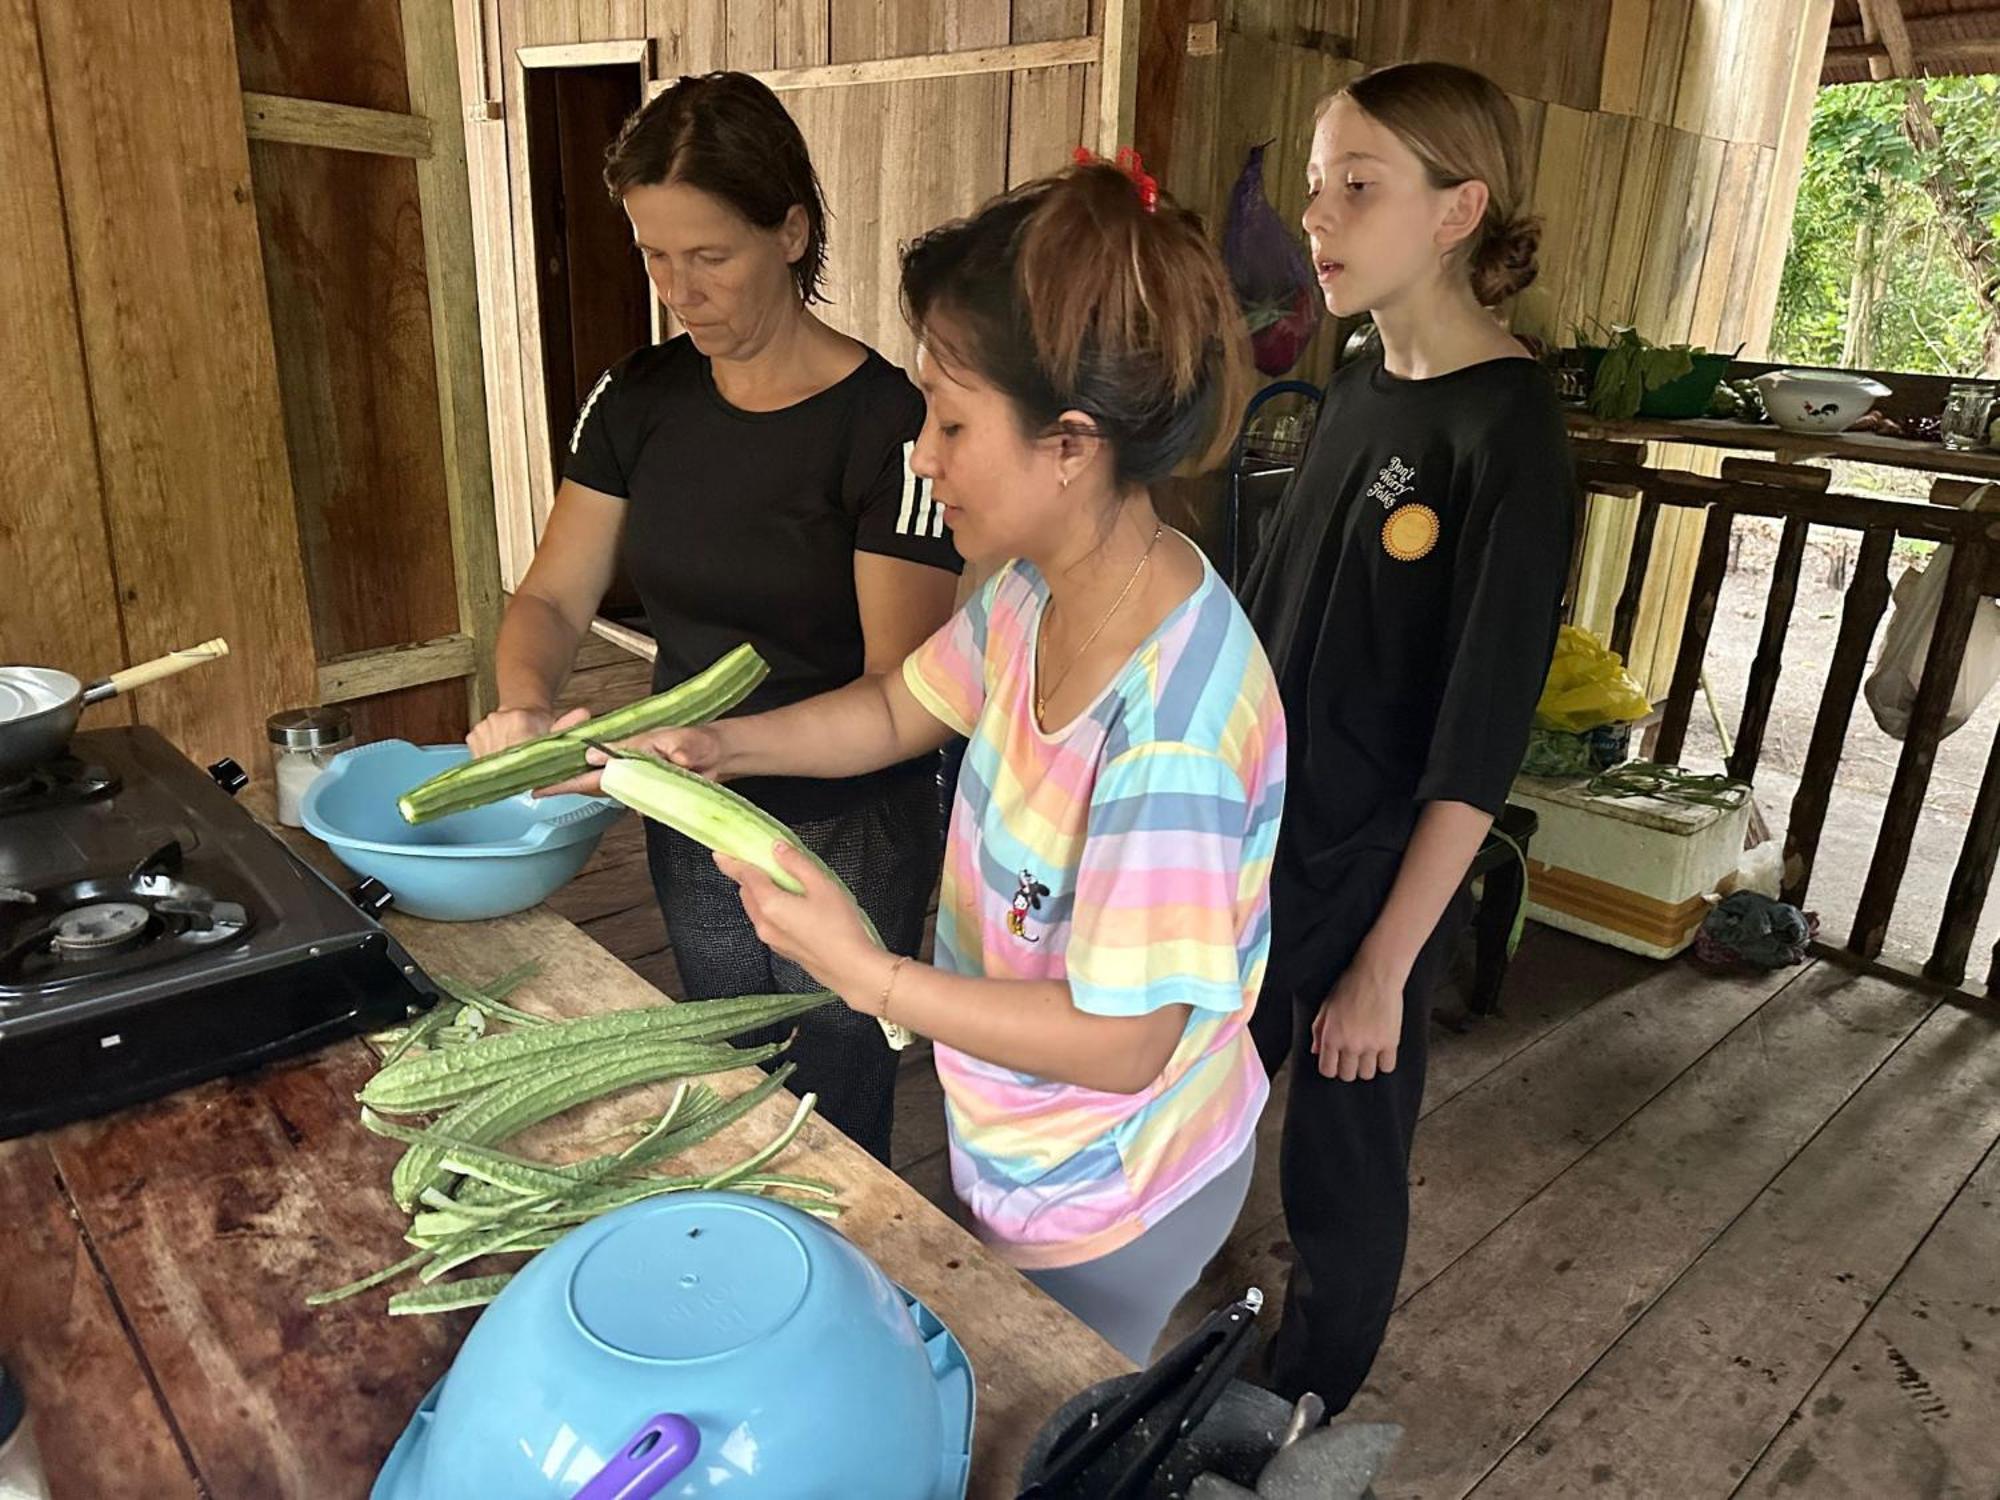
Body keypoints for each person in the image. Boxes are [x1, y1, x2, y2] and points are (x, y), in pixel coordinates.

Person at [594, 157, 1287, 1363]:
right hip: (1017, 1137)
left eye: (951, 422)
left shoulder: (1169, 725)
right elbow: (893, 710)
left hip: (1108, 1192)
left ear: (1069, 445)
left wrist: (870, 979)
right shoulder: (1032, 594)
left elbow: (1127, 1041)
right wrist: (717, 743)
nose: (919, 455)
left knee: (1050, 1416)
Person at [473, 72, 961, 1164]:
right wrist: (522, 704)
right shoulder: (637, 399)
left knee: (830, 1101)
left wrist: (713, 752)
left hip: (849, 821)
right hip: (685, 799)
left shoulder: (889, 427)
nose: (677, 290)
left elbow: (901, 689)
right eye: (653, 254)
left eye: (709, 256)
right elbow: (553, 595)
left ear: (790, 231)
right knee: (730, 1062)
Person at [1240, 60, 1578, 1406]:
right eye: (1318, 187)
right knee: (1193, 1101)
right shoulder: (1361, 384)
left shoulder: (1509, 437)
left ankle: (1301, 1403)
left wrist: (1386, 963)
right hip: (1263, 835)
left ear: (1458, 211)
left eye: (1358, 187)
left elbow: (1476, 742)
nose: (1318, 217)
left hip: (1379, 866)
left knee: (1344, 1150)